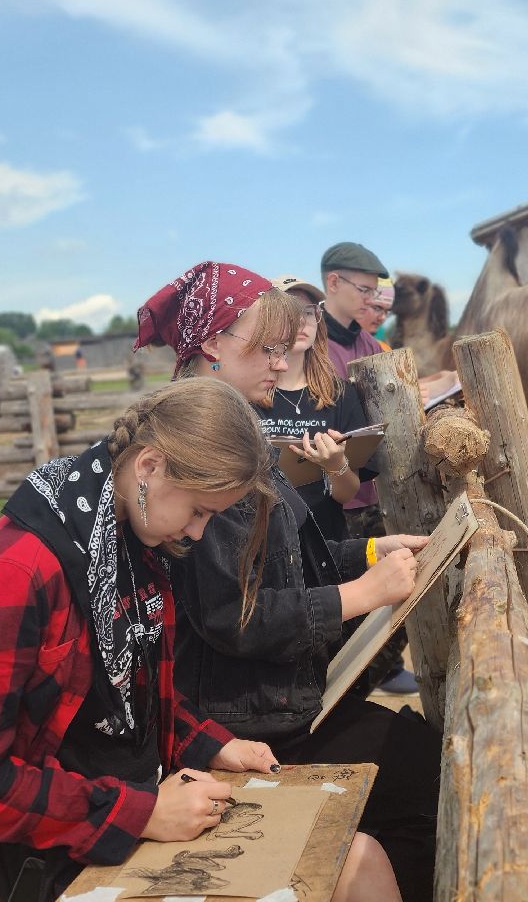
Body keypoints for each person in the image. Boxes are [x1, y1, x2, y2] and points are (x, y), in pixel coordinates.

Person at [0, 379, 400, 901]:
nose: (196, 534)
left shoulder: (127, 537)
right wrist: (143, 812)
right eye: (198, 512)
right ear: (148, 466)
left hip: (126, 806)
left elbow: (132, 692)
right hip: (47, 852)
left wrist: (214, 743)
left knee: (361, 860)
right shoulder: (12, 576)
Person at [136, 261, 440, 901]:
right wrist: (363, 593)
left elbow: (283, 558)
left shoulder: (237, 425)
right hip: (249, 720)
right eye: (265, 348)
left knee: (415, 756)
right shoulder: (207, 447)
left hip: (274, 699)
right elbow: (231, 616)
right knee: (424, 772)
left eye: (283, 347)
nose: (281, 362)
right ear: (213, 344)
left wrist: (371, 547)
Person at [319, 245, 417, 696]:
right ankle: (342, 683)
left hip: (369, 487)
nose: (370, 300)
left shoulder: (369, 344)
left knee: (390, 580)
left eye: (375, 292)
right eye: (363, 289)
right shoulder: (307, 342)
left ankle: (383, 667)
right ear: (333, 283)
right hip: (329, 492)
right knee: (341, 590)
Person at [256, 274, 380, 548]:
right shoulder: (248, 394)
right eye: (288, 311)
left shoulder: (340, 394)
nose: (301, 321)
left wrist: (335, 465)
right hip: (267, 547)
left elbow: (346, 495)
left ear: (318, 319)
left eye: (308, 312)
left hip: (328, 546)